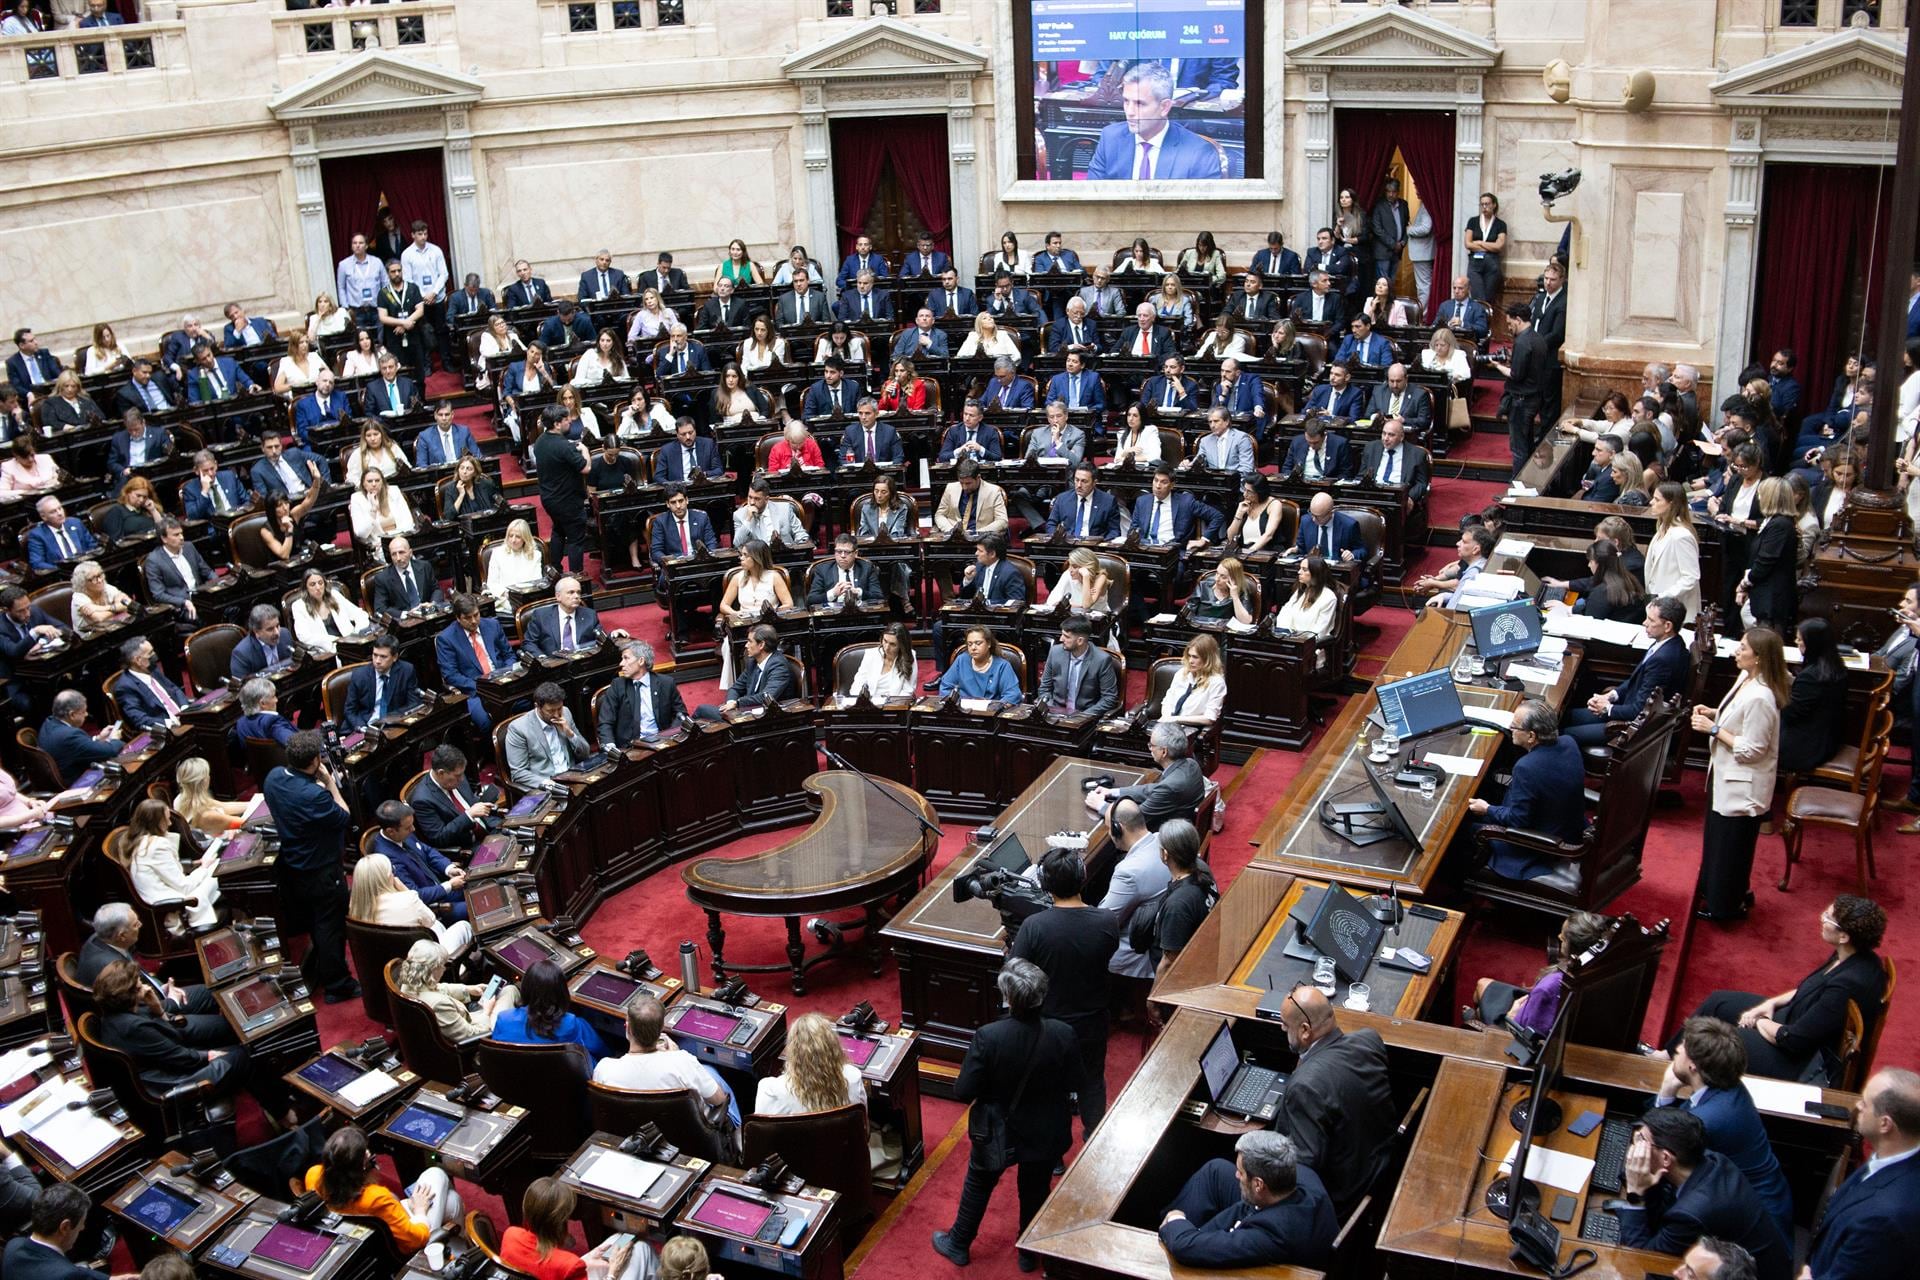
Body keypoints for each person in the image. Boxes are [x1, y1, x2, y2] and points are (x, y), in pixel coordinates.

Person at [931, 958, 1081, 1269]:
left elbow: (962, 1091)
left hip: (998, 1128)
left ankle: (959, 1243)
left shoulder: (989, 1036)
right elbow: (1075, 1081)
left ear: (1008, 998)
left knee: (979, 1182)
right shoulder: (1063, 1033)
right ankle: (1027, 1252)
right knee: (1036, 1188)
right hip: (1045, 1127)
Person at [1686, 896, 1888, 1083]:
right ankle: (1665, 1057)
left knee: (1712, 1040)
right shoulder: (1852, 956)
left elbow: (1792, 1040)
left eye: (1828, 917)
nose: (1821, 918)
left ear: (1844, 936)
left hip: (1797, 1061)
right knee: (1719, 1001)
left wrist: (1760, 1021)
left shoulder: (1847, 984)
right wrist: (1770, 1003)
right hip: (1795, 1020)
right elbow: (1809, 989)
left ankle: (1676, 1080)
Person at [95, 958, 296, 1127]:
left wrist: (158, 1009)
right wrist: (207, 1055)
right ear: (128, 995)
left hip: (162, 1068)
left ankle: (275, 1095)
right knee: (243, 1056)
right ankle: (283, 1114)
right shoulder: (133, 1026)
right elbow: (178, 1053)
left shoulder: (115, 1014)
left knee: (236, 1048)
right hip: (170, 1083)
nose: (145, 987)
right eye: (139, 986)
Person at [1009, 849, 1117, 1136]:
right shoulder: (1107, 922)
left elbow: (1015, 974)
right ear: (1083, 878)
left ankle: (1053, 1151)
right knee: (1092, 1081)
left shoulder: (1033, 927)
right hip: (1092, 1021)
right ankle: (1093, 1136)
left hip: (1049, 1025)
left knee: (1050, 1086)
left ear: (1044, 885)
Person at [1614, 1108, 1792, 1280]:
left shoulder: (1693, 1213)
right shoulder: (1709, 1160)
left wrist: (1635, 1197)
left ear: (1666, 1158)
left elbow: (1644, 1262)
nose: (1635, 1144)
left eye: (1641, 1140)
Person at [1654, 1018, 1794, 1237]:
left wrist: (1666, 1092)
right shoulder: (1728, 1087)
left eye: (1683, 1047)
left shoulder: (1707, 1119)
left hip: (1756, 1228)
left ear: (1693, 1066)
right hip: (1765, 1201)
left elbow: (1654, 1141)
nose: (1678, 1048)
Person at [1692, 627, 1788, 921]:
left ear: (1759, 657)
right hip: (1724, 777)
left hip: (1742, 786)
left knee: (1731, 850)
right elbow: (1738, 718)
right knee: (1719, 844)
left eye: (1743, 647)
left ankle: (1726, 908)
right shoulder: (1746, 678)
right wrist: (1714, 713)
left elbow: (1752, 750)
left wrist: (1715, 730)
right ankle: (1723, 893)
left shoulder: (1761, 697)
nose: (1736, 651)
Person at [1803, 1067, 1920, 1280]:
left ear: (1885, 1123)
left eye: (1865, 1103)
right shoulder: (1892, 1158)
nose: (1857, 1106)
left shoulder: (1883, 1220)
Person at [1157, 1131, 1336, 1269]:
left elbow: (1185, 1248)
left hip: (1283, 1270)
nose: (1236, 1175)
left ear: (1258, 1184)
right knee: (1216, 1171)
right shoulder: (1304, 1176)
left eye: (1241, 1173)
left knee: (1179, 1240)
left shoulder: (1272, 1235)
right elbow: (1245, 1206)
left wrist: (1176, 1219)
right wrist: (1202, 1233)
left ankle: (1163, 1242)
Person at [265, 732, 357, 1001]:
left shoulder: (274, 777)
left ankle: (322, 969)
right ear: (316, 760)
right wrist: (329, 782)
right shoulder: (314, 795)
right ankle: (337, 986)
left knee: (318, 922)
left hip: (294, 866)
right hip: (323, 870)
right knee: (330, 927)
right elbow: (343, 815)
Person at [1468, 699, 1589, 884]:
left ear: (1531, 736)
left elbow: (1517, 821)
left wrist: (1487, 809)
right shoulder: (1568, 742)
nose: (1509, 728)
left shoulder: (1526, 767)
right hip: (1566, 826)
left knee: (1463, 828)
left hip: (1539, 845)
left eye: (1514, 727)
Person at [306, 1125, 460, 1256]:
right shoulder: (376, 1198)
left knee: (452, 1201)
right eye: (371, 1160)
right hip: (403, 1247)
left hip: (360, 1236)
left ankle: (461, 1249)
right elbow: (415, 1241)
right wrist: (420, 1211)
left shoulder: (313, 1176)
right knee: (436, 1174)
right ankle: (464, 1253)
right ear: (361, 1170)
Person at [1564, 597, 1691, 749]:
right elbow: (1634, 681)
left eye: (1650, 620)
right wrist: (1610, 696)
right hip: (1625, 708)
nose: (1644, 623)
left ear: (1667, 625)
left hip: (1630, 728)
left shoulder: (1664, 660)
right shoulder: (1669, 642)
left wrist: (1607, 708)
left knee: (1564, 733)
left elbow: (1640, 711)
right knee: (1565, 717)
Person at [1471, 910, 1610, 1036]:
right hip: (1553, 1015)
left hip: (1520, 1027)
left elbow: (1524, 1033)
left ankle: (1479, 1026)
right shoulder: (1602, 970)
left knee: (1481, 984)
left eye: (1562, 939)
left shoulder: (1551, 985)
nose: (1558, 936)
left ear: (1571, 947)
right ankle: (1478, 1017)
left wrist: (1509, 1016)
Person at [500, 1179, 644, 1280]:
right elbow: (559, 1266)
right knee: (643, 1250)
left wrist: (588, 1259)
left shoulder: (510, 1235)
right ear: (560, 1223)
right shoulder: (567, 1264)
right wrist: (613, 1272)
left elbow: (540, 1265)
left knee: (617, 1240)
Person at [123, 798, 219, 934]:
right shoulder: (157, 846)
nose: (169, 823)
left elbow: (168, 871)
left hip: (169, 893)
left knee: (214, 868)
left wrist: (198, 865)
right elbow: (184, 886)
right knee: (217, 873)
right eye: (166, 819)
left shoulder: (140, 842)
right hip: (173, 902)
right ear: (156, 822)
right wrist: (204, 868)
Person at [350, 852, 472, 957]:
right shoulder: (408, 899)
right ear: (388, 877)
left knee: (437, 928)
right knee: (464, 926)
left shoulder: (355, 909)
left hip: (391, 967)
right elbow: (430, 920)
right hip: (426, 962)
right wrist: (405, 891)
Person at [492, 958, 612, 1065]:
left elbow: (497, 1056)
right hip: (564, 1085)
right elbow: (603, 1053)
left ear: (525, 988)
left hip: (513, 1083)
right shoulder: (572, 1023)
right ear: (561, 991)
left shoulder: (503, 1019)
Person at [1090, 722, 1206, 830]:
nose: (1150, 748)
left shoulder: (1171, 786)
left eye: (1152, 745)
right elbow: (1152, 789)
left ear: (1164, 752)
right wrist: (1113, 792)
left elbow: (1134, 821)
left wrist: (1101, 806)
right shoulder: (1191, 764)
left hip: (1165, 838)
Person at [397, 938, 516, 1041]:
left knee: (508, 991)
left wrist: (468, 989)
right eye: (442, 965)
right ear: (433, 970)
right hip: (479, 1034)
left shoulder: (408, 983)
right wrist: (486, 1012)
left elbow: (436, 988)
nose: (444, 969)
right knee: (510, 990)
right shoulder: (440, 1005)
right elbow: (472, 1035)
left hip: (461, 1022)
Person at [755, 1010, 866, 1118]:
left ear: (792, 1051)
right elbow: (863, 1125)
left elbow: (760, 1135)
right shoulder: (853, 1077)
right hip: (844, 1137)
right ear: (833, 1047)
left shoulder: (770, 1090)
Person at [1777, 617, 1848, 776]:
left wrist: (1777, 688)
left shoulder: (1811, 675)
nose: (1796, 642)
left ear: (1813, 644)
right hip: (1827, 736)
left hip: (1808, 746)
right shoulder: (1835, 665)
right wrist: (1792, 682)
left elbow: (1791, 713)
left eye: (1800, 639)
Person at [436, 592, 517, 732]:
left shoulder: (492, 625)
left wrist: (507, 674)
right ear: (458, 618)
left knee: (526, 704)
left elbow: (508, 654)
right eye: (468, 618)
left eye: (476, 615)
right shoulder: (446, 639)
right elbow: (451, 675)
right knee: (486, 721)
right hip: (474, 691)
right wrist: (481, 687)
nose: (474, 621)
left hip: (503, 683)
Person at [531, 405, 592, 575]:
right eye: (566, 419)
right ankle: (576, 575)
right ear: (557, 424)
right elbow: (585, 468)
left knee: (558, 531)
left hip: (549, 498)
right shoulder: (565, 446)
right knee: (575, 538)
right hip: (569, 501)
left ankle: (555, 571)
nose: (570, 420)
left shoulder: (540, 441)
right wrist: (585, 450)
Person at [696, 623, 797, 720]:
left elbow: (766, 697)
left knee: (702, 710)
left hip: (767, 717)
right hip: (747, 711)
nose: (746, 645)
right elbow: (735, 688)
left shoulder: (779, 666)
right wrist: (731, 702)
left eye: (750, 641)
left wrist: (737, 703)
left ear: (761, 645)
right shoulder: (753, 662)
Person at [503, 683, 593, 791]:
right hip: (546, 786)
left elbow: (585, 753)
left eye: (559, 708)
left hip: (573, 777)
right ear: (537, 707)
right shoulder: (519, 728)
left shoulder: (566, 713)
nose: (556, 715)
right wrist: (548, 784)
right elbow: (518, 773)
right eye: (550, 711)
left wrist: (570, 734)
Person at [408, 744, 496, 853]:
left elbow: (470, 801)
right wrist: (469, 815)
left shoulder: (455, 777)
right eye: (458, 776)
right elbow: (439, 837)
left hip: (489, 827)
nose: (462, 778)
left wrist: (484, 805)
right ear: (441, 773)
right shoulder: (422, 800)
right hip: (470, 846)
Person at [1738, 478, 1798, 633]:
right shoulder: (1773, 522)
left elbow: (1766, 560)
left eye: (1760, 494)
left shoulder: (1780, 525)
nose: (1758, 498)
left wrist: (1745, 583)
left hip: (1771, 600)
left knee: (1766, 645)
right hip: (1763, 596)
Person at [1495, 303, 1549, 475]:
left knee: (1519, 448)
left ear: (1518, 320)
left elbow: (1516, 374)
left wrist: (1497, 366)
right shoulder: (1538, 338)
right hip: (1534, 397)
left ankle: (1516, 486)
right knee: (1527, 443)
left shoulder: (1522, 341)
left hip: (1521, 401)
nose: (1509, 328)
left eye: (1510, 324)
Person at [1035, 616, 1120, 719]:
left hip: (1085, 715)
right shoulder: (1055, 652)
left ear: (1080, 641)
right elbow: (1045, 687)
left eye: (1066, 636)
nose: (1061, 639)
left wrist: (1083, 716)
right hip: (1055, 713)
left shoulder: (1101, 660)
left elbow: (1109, 698)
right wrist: (1047, 705)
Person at [37, 689, 120, 788]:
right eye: (83, 711)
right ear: (72, 715)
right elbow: (110, 751)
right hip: (78, 781)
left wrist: (98, 738)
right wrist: (115, 739)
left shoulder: (49, 722)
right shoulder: (69, 735)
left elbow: (77, 747)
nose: (86, 714)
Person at [938, 624, 1021, 703]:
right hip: (963, 711)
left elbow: (1013, 695)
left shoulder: (1002, 666)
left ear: (988, 644)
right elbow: (945, 687)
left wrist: (995, 708)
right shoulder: (962, 660)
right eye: (970, 644)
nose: (973, 648)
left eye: (978, 643)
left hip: (990, 713)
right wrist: (955, 704)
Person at [1275, 555, 1340, 652]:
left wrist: (1297, 642)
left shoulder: (1328, 598)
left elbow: (1320, 631)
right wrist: (1285, 636)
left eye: (1304, 570)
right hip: (1290, 642)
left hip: (1310, 649)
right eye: (1300, 569)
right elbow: (1284, 613)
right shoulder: (1302, 590)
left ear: (1316, 573)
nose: (1299, 572)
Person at [933, 457, 1010, 536]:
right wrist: (951, 530)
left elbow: (1002, 521)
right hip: (954, 537)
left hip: (982, 537)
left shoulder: (993, 491)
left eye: (968, 483)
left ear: (978, 478)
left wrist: (977, 533)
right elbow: (939, 515)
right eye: (961, 483)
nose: (964, 487)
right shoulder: (950, 488)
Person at [349, 469, 416, 560]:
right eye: (369, 481)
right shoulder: (357, 499)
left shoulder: (394, 491)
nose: (374, 484)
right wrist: (373, 510)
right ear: (363, 484)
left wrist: (396, 538)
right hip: (380, 547)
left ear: (382, 482)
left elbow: (408, 522)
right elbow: (361, 533)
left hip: (401, 541)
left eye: (377, 480)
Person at [174, 757, 249, 836]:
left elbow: (223, 806)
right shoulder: (206, 815)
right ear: (205, 781)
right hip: (227, 843)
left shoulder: (179, 799)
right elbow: (245, 823)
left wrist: (256, 802)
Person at [846, 622, 916, 702]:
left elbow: (907, 691)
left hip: (894, 707)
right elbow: (857, 685)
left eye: (892, 644)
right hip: (868, 706)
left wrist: (891, 706)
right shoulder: (871, 655)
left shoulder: (909, 656)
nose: (886, 648)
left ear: (901, 645)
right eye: (885, 641)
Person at [807, 533, 881, 608]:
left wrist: (859, 593)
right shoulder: (823, 570)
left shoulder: (867, 568)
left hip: (860, 615)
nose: (842, 556)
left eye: (847, 552)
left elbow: (879, 597)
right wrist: (833, 593)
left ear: (855, 553)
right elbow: (811, 600)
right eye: (839, 551)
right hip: (832, 616)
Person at [484, 518, 546, 603]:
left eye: (518, 537)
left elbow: (537, 581)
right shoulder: (497, 553)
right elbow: (492, 583)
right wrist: (506, 594)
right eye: (511, 535)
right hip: (505, 598)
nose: (513, 540)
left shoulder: (535, 555)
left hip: (529, 598)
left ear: (525, 538)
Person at [1188, 555, 1256, 626]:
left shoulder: (1241, 592)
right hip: (1200, 628)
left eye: (1223, 577)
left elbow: (1245, 621)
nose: (1217, 579)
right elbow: (1188, 611)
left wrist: (1235, 597)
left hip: (1223, 633)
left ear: (1234, 579)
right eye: (1217, 573)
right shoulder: (1204, 585)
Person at [230, 604, 293, 680]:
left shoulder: (285, 635)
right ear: (257, 632)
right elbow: (241, 687)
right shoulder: (241, 653)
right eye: (270, 629)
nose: (277, 632)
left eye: (277, 626)